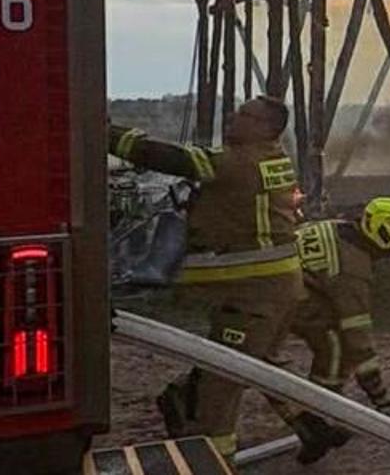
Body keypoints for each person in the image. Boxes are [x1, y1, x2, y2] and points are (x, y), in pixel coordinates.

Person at [107, 96, 338, 459]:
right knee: (258, 363)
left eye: (245, 115)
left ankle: (214, 456)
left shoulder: (239, 162)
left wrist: (107, 135)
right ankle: (311, 424)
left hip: (252, 295)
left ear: (266, 128)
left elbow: (171, 158)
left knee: (219, 386)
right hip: (279, 288)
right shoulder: (272, 158)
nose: (233, 117)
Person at [284, 197, 390, 463]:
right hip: (280, 296)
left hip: (278, 282)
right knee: (335, 344)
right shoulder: (351, 271)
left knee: (330, 343)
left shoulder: (340, 228)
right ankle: (318, 414)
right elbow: (359, 341)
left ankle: (317, 417)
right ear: (383, 235)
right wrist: (382, 400)